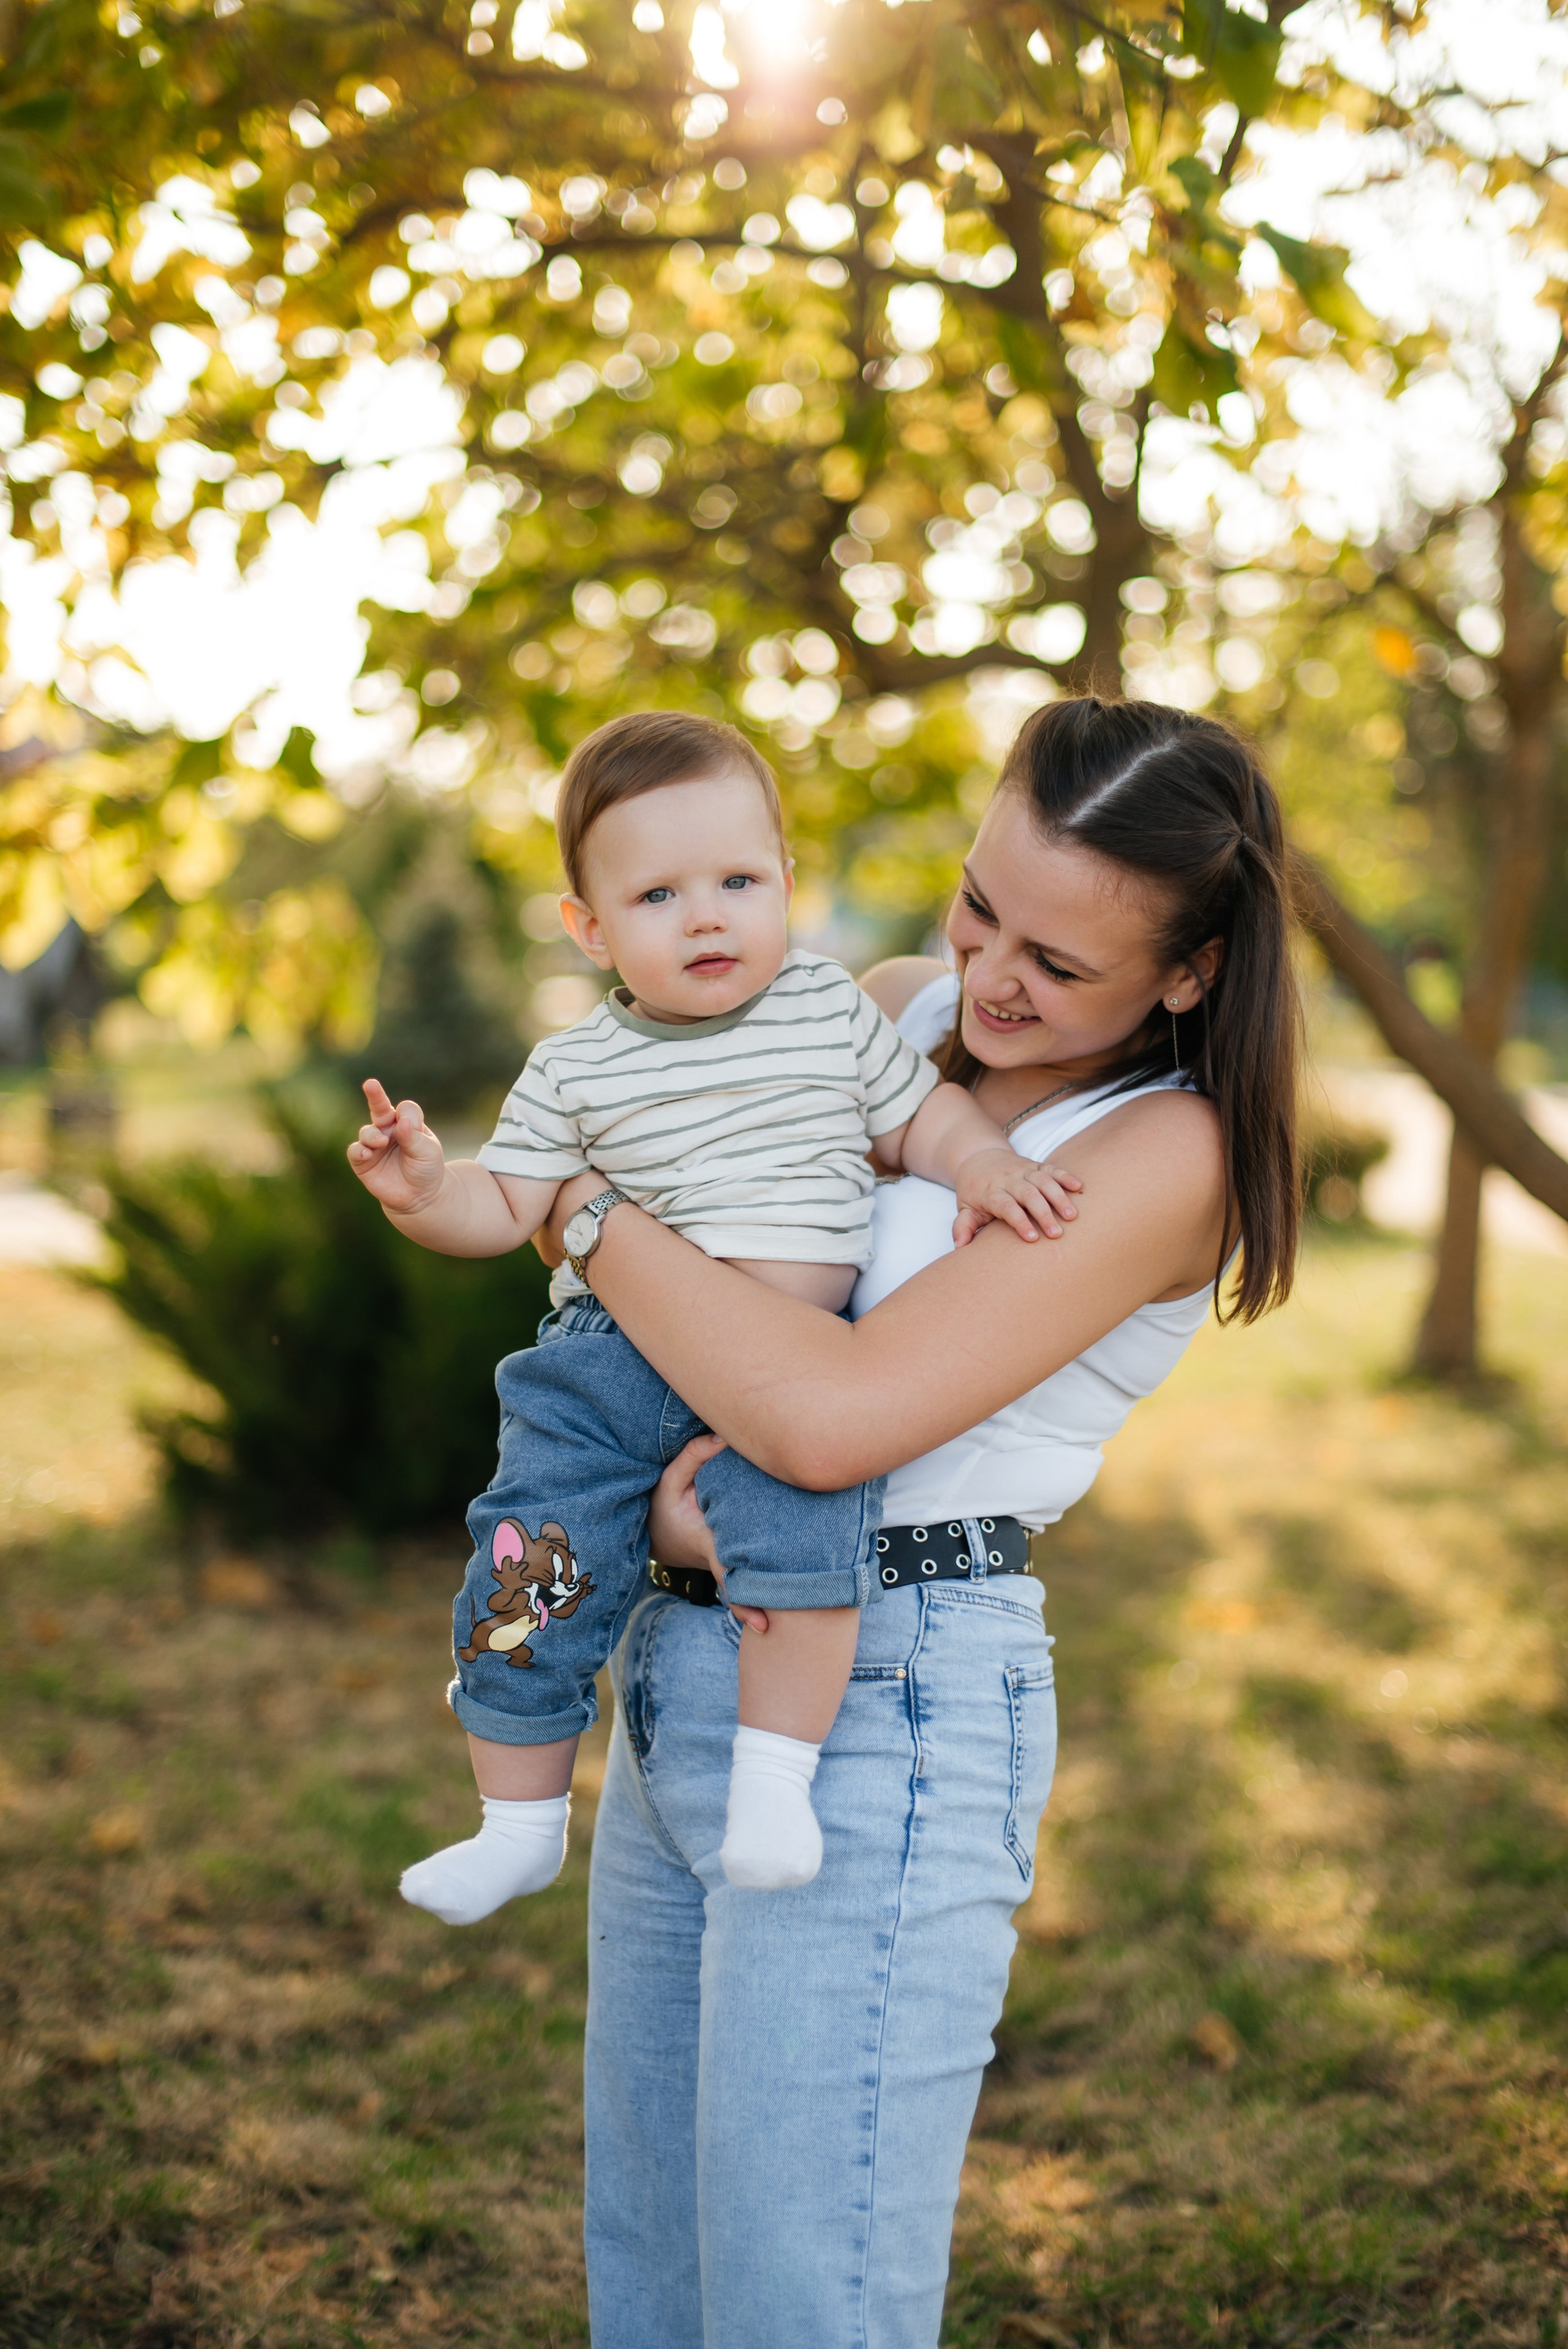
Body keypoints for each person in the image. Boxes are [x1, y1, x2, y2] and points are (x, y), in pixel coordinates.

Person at [534, 695, 1301, 2349]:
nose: (993, 978)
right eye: (979, 906)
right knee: (654, 2277)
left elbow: (826, 1415)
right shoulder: (893, 1010)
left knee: (801, 2301)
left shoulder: (1166, 1154)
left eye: (1063, 961)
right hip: (681, 1664)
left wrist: (580, 1205)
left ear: (1189, 972)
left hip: (890, 1697)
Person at [346, 711, 1080, 1912]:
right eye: (656, 896)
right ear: (587, 928)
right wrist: (427, 1191)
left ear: (787, 883)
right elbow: (508, 1204)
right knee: (537, 1554)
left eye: (738, 880)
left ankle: (772, 1788)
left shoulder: (830, 1015)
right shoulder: (576, 1068)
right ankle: (517, 1817)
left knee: (807, 1538)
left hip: (787, 1361)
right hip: (614, 1355)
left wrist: (984, 1165)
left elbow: (920, 1123)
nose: (705, 915)